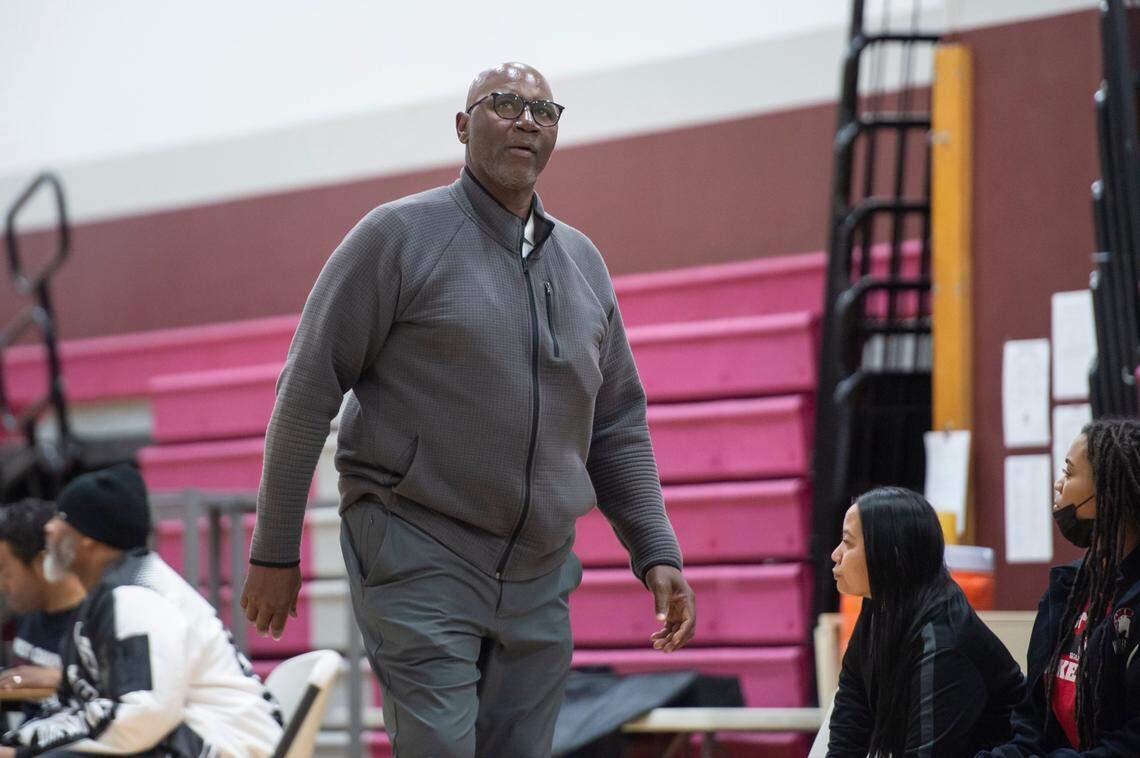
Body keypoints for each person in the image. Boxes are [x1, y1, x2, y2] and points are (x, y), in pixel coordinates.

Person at [240, 61, 696, 756]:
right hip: (419, 547)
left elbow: (616, 422)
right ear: (463, 125)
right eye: (505, 104)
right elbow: (306, 392)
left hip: (542, 570)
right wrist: (274, 551)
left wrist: (655, 547)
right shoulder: (396, 237)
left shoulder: (583, 263)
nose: (526, 121)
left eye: (544, 112)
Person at [0, 465, 282, 757]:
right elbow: (93, 711)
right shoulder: (116, 590)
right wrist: (17, 745)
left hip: (229, 744)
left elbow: (141, 718)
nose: (49, 528)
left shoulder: (135, 598)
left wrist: (22, 753)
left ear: (88, 540)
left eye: (62, 519)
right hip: (193, 736)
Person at [827, 487, 1025, 757]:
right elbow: (850, 723)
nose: (835, 555)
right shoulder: (881, 604)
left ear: (892, 554)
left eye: (848, 543)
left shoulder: (943, 640)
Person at [982, 418, 1140, 756]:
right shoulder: (1066, 590)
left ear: (1107, 492)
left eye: (1069, 473)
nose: (1058, 484)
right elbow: (1032, 722)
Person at [0, 500, 86, 721]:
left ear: (40, 563)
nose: (2, 584)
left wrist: (63, 679)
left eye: (4, 570)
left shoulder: (94, 623)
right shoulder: (30, 608)